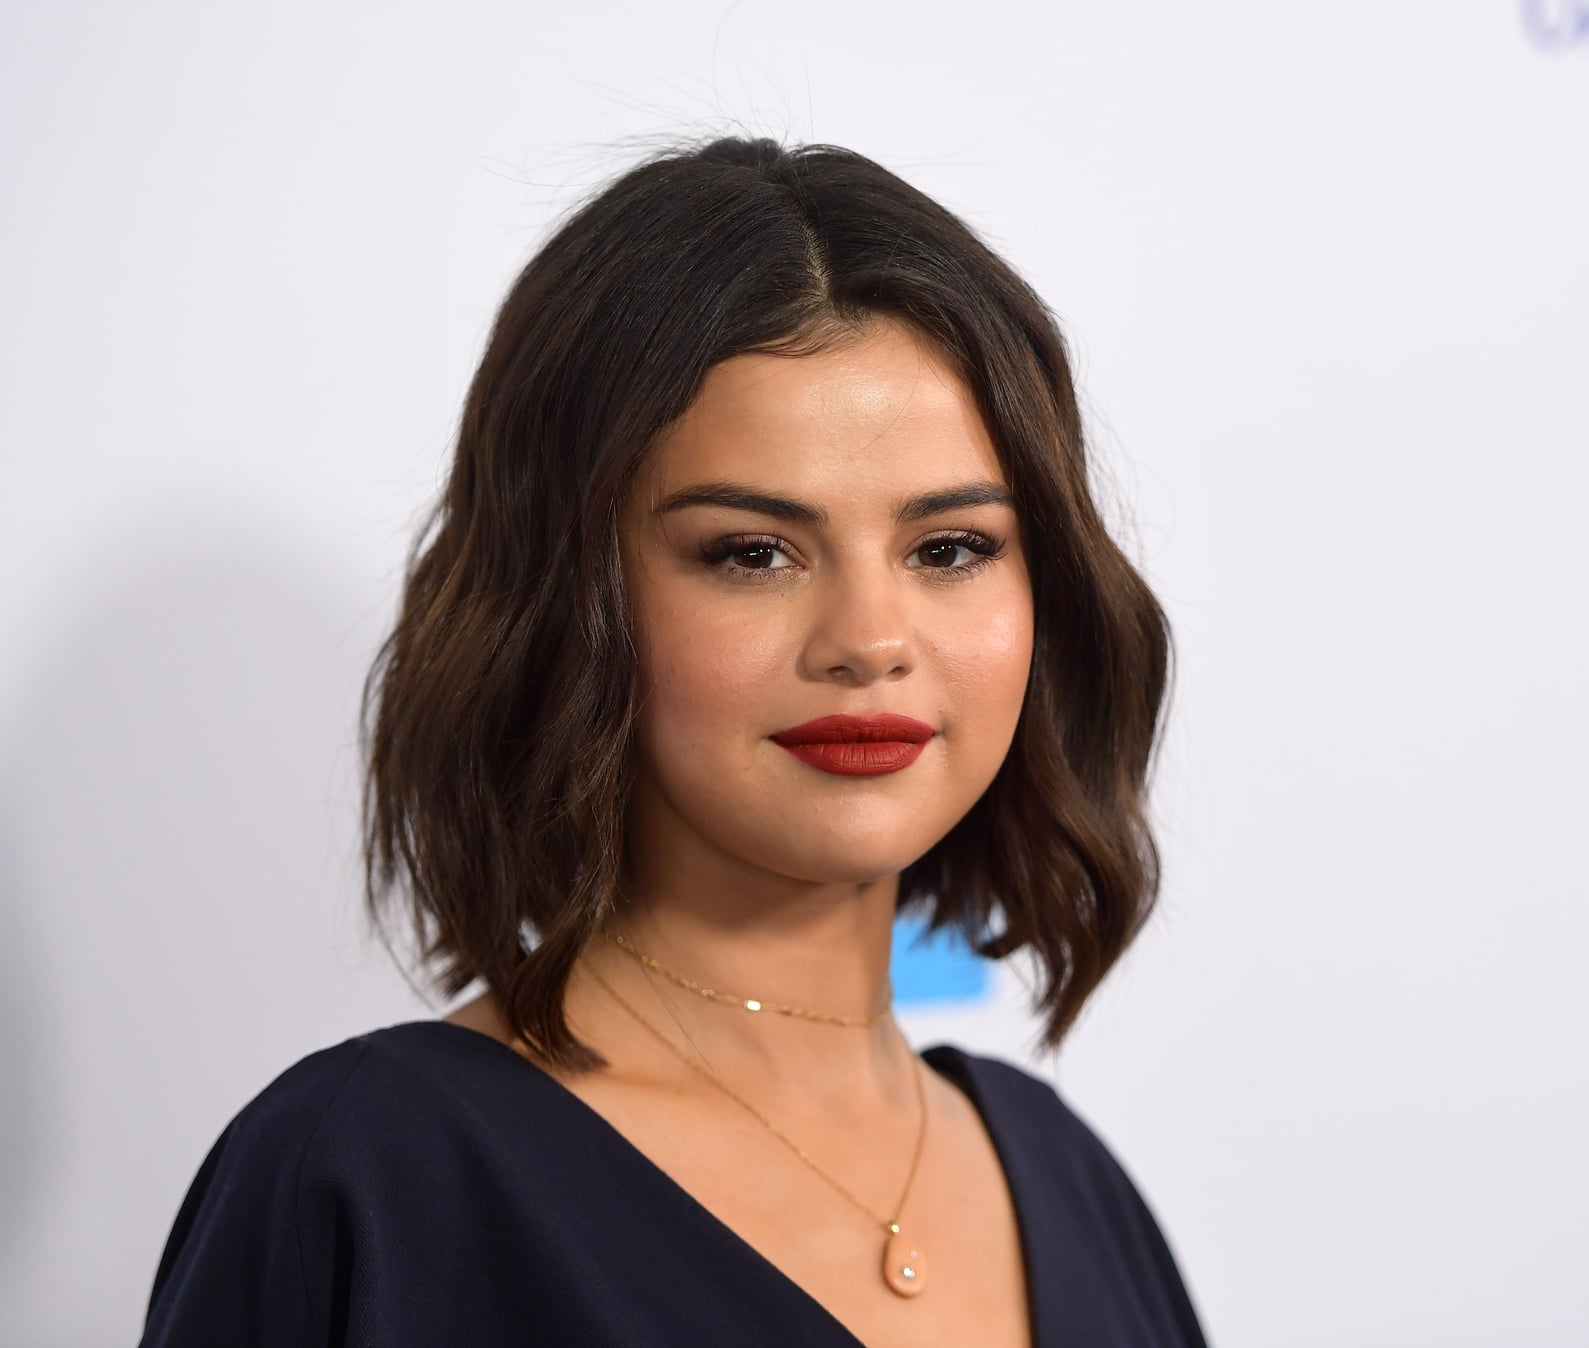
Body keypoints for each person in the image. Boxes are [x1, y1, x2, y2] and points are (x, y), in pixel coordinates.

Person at [137, 135, 1206, 1347]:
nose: (868, 638)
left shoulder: (1072, 1189)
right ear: (568, 596)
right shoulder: (375, 1177)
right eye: (751, 551)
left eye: (948, 548)